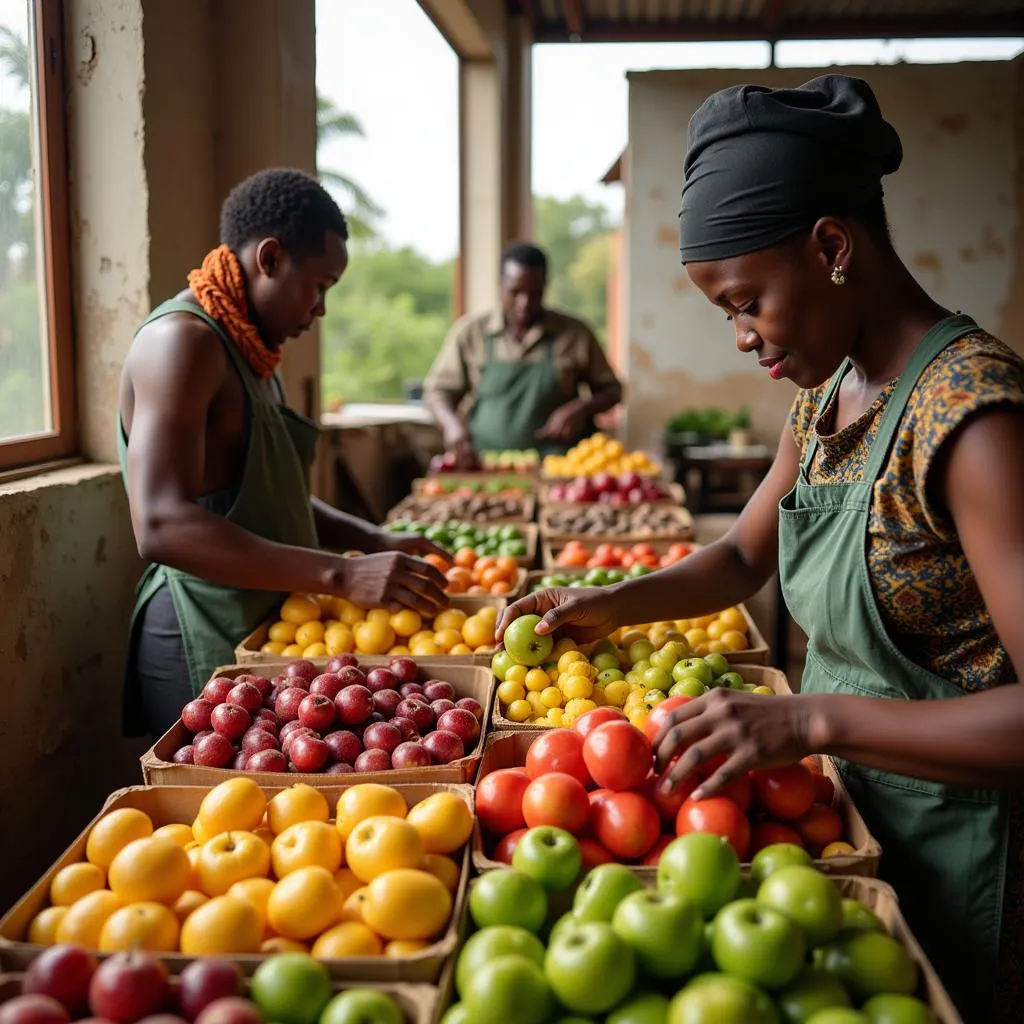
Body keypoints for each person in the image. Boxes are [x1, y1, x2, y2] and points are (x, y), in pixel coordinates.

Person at [497, 76, 1024, 1021]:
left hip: (967, 850)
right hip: (839, 825)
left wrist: (809, 722)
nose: (742, 337)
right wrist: (603, 603)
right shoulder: (825, 399)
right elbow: (745, 555)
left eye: (746, 303)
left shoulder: (972, 419)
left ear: (830, 246)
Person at [118, 168, 447, 737]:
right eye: (320, 284)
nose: (320, 308)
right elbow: (159, 525)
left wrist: (370, 540)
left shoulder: (252, 354)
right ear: (269, 258)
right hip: (197, 629)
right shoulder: (183, 343)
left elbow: (268, 497)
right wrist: (342, 577)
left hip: (261, 626)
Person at [423, 242, 623, 464]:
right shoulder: (471, 333)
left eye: (534, 294)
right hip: (487, 464)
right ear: (500, 285)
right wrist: (452, 426)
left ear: (546, 286)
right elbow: (437, 393)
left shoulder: (575, 333)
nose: (524, 303)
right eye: (515, 292)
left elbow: (613, 390)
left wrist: (581, 409)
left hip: (560, 466)